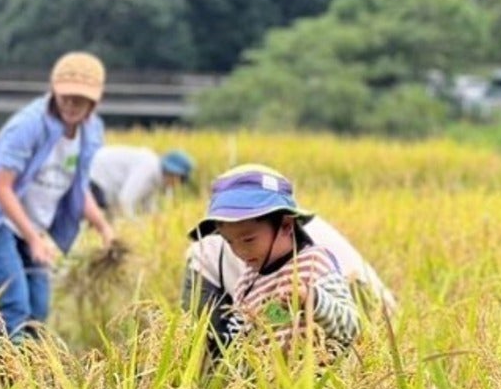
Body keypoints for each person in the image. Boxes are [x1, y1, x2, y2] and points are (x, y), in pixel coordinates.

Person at [0, 51, 116, 340]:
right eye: (65, 96)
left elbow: (77, 187)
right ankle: (4, 378)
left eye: (79, 99)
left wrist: (104, 228)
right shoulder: (28, 125)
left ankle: (29, 372)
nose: (70, 105)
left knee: (38, 310)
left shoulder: (91, 132)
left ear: (95, 101)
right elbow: (1, 188)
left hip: (31, 224)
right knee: (16, 303)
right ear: (54, 90)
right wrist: (34, 239)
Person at [186, 164, 361, 360]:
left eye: (248, 240)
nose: (239, 251)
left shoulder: (314, 263)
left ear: (286, 225)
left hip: (318, 385)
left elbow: (351, 326)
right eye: (229, 242)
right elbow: (252, 338)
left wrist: (310, 298)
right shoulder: (246, 283)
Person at [89, 146, 194, 218]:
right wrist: (133, 223)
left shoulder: (156, 180)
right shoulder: (148, 168)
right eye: (177, 179)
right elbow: (125, 199)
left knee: (109, 218)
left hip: (106, 182)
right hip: (96, 174)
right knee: (96, 216)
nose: (176, 185)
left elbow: (148, 207)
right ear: (172, 172)